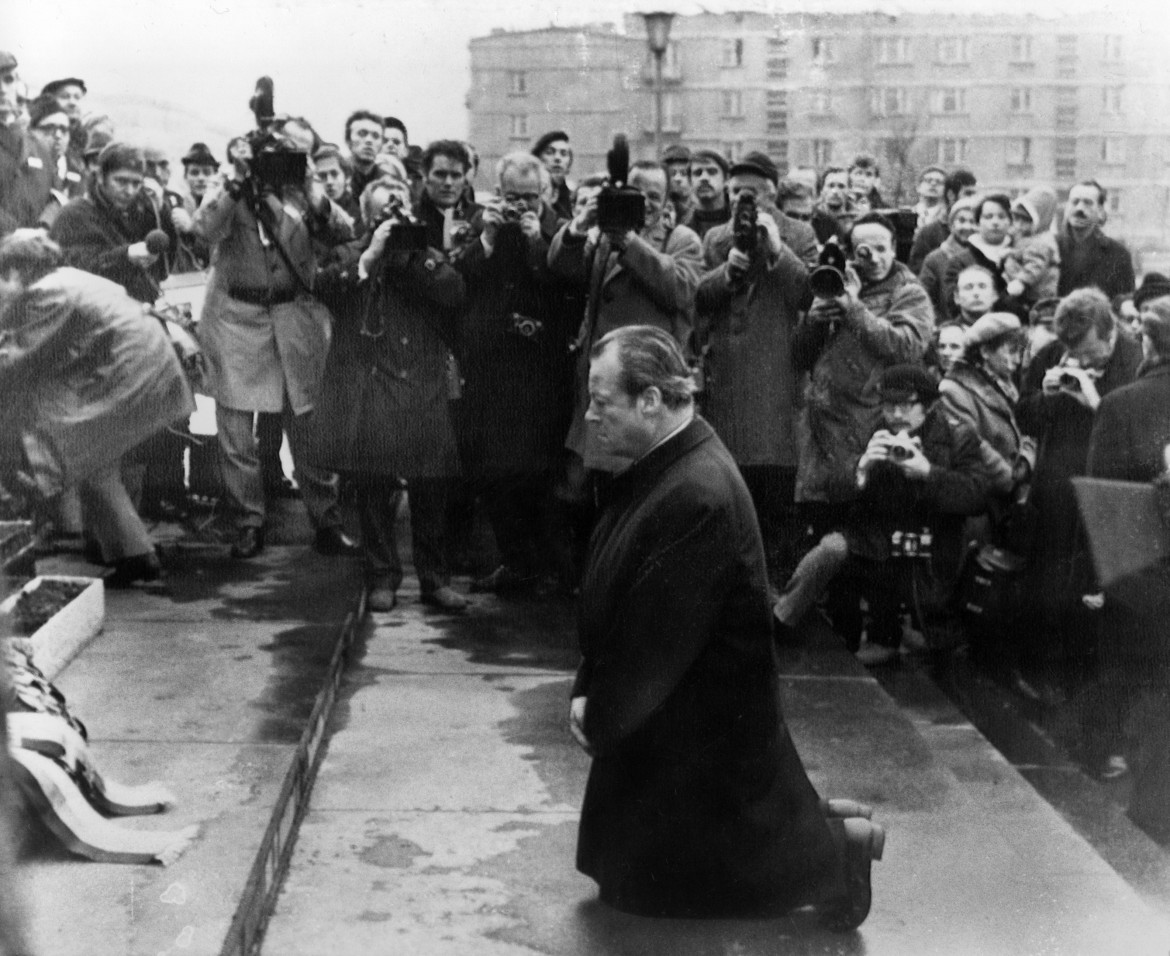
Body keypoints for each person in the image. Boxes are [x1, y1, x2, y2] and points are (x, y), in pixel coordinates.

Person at [571, 323, 884, 928]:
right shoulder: (673, 464)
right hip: (685, 720)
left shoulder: (695, 492)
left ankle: (839, 853)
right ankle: (828, 829)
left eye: (601, 401)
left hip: (700, 733)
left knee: (671, 893)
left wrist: (598, 711)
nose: (590, 415)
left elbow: (652, 643)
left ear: (652, 401)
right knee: (631, 883)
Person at [192, 120, 357, 560]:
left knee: (307, 426)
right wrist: (237, 181)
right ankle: (248, 521)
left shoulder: (305, 194)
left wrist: (308, 184)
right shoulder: (232, 191)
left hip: (294, 317)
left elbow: (343, 231)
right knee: (236, 434)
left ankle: (327, 519)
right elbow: (201, 230)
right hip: (236, 320)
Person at [305, 173, 468, 613]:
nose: (393, 221)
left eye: (399, 212)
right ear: (365, 216)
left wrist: (416, 257)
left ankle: (435, 580)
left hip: (422, 383)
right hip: (371, 382)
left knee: (430, 485)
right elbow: (325, 287)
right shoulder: (350, 253)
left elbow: (455, 293)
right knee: (373, 485)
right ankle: (382, 577)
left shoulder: (427, 254)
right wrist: (373, 253)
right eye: (383, 214)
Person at [0, 230, 194, 586]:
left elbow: (17, 357)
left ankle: (115, 546)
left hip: (128, 375)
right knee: (94, 465)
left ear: (19, 270)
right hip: (137, 367)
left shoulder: (47, 293)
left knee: (61, 438)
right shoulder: (64, 279)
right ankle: (135, 555)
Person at [774, 364, 987, 665]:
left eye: (905, 406)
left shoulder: (958, 435)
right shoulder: (876, 429)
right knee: (831, 549)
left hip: (930, 539)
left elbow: (976, 495)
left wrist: (928, 473)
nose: (896, 415)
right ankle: (780, 619)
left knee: (932, 623)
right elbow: (834, 485)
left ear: (927, 405)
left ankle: (896, 638)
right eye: (889, 406)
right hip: (875, 535)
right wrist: (861, 468)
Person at [453, 152, 576, 595]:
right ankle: (514, 561)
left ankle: (546, 568)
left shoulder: (562, 227)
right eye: (512, 196)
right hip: (493, 367)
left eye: (529, 197)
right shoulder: (487, 223)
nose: (521, 205)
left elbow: (569, 287)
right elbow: (461, 278)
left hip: (542, 369)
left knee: (539, 475)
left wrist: (539, 244)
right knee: (494, 471)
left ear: (545, 193)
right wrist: (487, 236)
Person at [1015, 288, 1143, 702]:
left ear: (1110, 334)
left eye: (1091, 356)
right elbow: (1024, 414)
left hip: (1107, 489)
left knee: (1092, 589)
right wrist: (1048, 395)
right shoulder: (1054, 352)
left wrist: (1095, 400)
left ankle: (1084, 686)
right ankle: (1042, 675)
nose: (1082, 363)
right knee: (1047, 581)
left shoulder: (1135, 357)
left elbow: (1137, 431)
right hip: (1056, 488)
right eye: (1077, 357)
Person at [695, 155, 810, 577]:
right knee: (731, 484)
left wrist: (779, 251)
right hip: (729, 378)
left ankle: (778, 582)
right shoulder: (715, 237)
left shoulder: (799, 232)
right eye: (736, 190)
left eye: (754, 192)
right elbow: (698, 298)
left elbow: (810, 298)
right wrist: (725, 275)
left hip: (778, 375)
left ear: (772, 194)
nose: (743, 199)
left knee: (777, 487)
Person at [549, 159, 702, 473]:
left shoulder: (681, 239)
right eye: (637, 192)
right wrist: (581, 224)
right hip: (600, 381)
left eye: (654, 196)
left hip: (641, 387)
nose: (645, 203)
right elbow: (562, 268)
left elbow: (681, 291)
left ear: (666, 202)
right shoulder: (604, 236)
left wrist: (631, 244)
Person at [792, 212, 934, 516]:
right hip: (822, 428)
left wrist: (854, 309)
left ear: (895, 248)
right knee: (820, 518)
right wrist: (815, 322)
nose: (875, 258)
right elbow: (801, 357)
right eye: (865, 251)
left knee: (862, 518)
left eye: (883, 249)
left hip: (869, 422)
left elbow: (907, 348)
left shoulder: (909, 292)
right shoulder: (836, 281)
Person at [0, 52, 54, 237]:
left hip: (35, 249)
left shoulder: (38, 146)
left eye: (8, 80)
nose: (2, 89)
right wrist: (14, 233)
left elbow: (56, 195)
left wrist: (44, 227)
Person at [943, 194, 1017, 320]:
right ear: (977, 223)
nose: (995, 222)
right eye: (988, 217)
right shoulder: (959, 261)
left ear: (1010, 222)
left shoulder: (1019, 255)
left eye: (1001, 216)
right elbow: (953, 303)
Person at [1056, 180, 1135, 299]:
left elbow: (1126, 300)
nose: (1079, 209)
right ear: (1066, 207)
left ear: (1100, 211)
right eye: (1075, 202)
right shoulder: (1050, 248)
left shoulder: (1119, 255)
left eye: (1088, 203)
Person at [918, 195, 978, 322]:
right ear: (951, 225)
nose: (967, 227)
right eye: (961, 221)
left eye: (973, 222)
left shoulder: (988, 257)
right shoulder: (934, 259)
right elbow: (924, 300)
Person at [908, 168, 977, 272]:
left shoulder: (979, 229)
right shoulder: (928, 233)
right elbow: (918, 272)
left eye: (974, 194)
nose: (973, 199)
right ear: (951, 195)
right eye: (968, 193)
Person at [1003, 186, 1061, 310]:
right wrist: (1011, 253)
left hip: (1038, 294)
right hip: (1027, 292)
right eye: (1016, 219)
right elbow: (1024, 253)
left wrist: (1021, 282)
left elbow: (1035, 265)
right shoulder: (1027, 236)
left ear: (1038, 221)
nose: (1018, 225)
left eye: (1025, 221)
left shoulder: (1042, 242)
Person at [680, 148, 730, 239]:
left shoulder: (737, 221)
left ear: (726, 179)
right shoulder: (681, 227)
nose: (704, 177)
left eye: (712, 172)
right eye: (697, 173)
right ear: (690, 181)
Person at [531, 130, 572, 220]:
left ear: (569, 165)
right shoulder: (529, 196)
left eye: (563, 154)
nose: (557, 158)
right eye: (550, 152)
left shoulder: (574, 201)